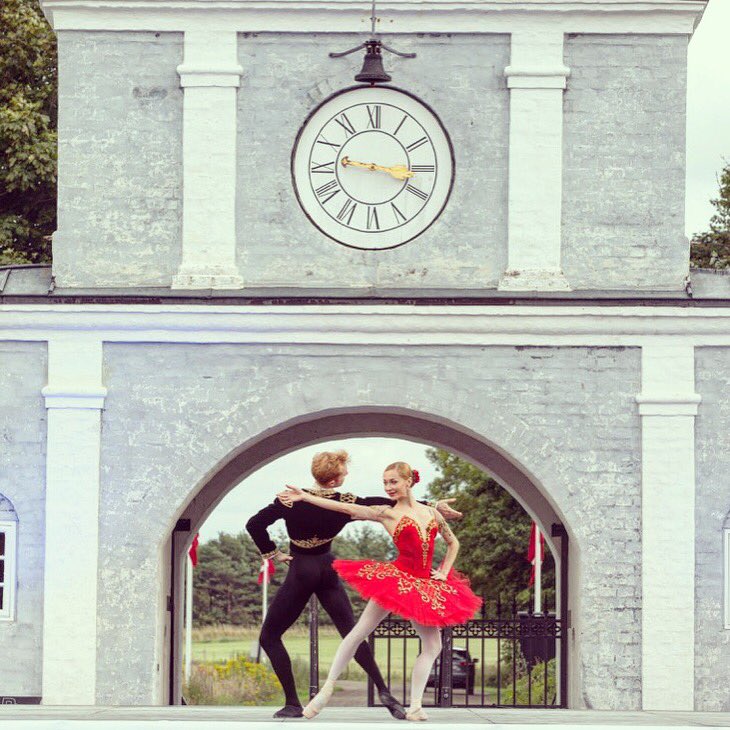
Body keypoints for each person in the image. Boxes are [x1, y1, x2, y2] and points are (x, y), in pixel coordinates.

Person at [245, 450, 462, 719]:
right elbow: (378, 503)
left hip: (302, 568)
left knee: (272, 636)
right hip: (328, 569)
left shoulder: (289, 501)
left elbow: (253, 524)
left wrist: (273, 553)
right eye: (345, 472)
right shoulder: (349, 500)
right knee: (353, 631)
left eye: (393, 481)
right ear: (336, 480)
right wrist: (433, 503)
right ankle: (384, 690)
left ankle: (294, 702)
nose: (347, 475)